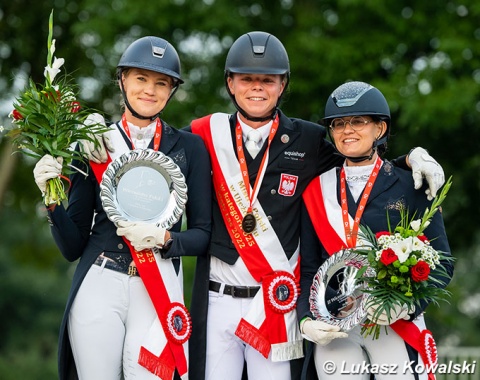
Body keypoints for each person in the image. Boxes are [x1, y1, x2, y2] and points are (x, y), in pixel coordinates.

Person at [82, 32, 445, 380]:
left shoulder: (311, 138)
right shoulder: (203, 136)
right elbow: (150, 146)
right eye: (247, 78)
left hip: (278, 301)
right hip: (217, 297)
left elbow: (361, 161)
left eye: (268, 80)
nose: (257, 87)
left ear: (282, 85)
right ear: (230, 84)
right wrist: (97, 127)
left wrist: (410, 158)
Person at [32, 36, 211, 380]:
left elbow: (203, 235)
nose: (149, 90)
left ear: (172, 90)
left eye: (161, 83)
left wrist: (164, 238)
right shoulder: (94, 141)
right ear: (122, 80)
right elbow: (72, 247)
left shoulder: (190, 148)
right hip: (100, 282)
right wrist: (51, 198)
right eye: (140, 79)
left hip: (157, 287)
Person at [297, 81, 454, 380]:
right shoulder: (317, 190)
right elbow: (308, 268)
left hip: (392, 323)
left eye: (358, 121)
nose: (347, 130)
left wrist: (407, 306)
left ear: (380, 129)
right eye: (339, 124)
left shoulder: (412, 184)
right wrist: (305, 319)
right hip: (337, 327)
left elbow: (443, 262)